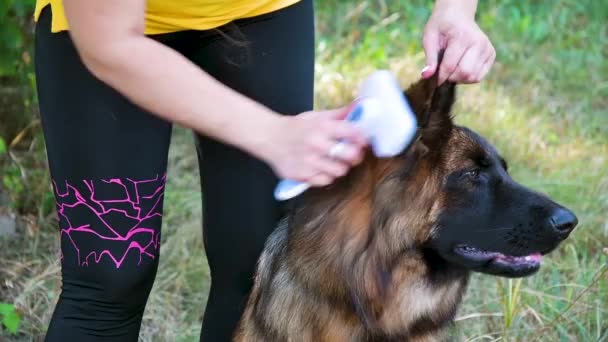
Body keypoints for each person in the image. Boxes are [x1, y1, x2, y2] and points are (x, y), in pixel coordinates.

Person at [33, 0, 495, 340]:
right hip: (108, 29)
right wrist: (271, 134)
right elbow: (111, 44)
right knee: (111, 277)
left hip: (261, 13)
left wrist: (456, 12)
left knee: (255, 261)